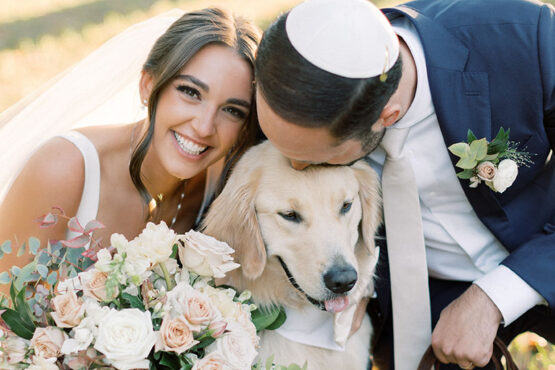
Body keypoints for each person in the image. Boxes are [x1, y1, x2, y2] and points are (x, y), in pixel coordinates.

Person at [253, 0, 555, 368]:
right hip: (422, 302)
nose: (294, 166)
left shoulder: (526, 38)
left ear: (387, 116)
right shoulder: (301, 97)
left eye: (317, 158)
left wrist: (495, 296)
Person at [0, 8, 261, 279]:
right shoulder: (62, 168)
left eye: (232, 111)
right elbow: (6, 309)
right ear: (148, 85)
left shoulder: (226, 187)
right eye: (190, 92)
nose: (204, 127)